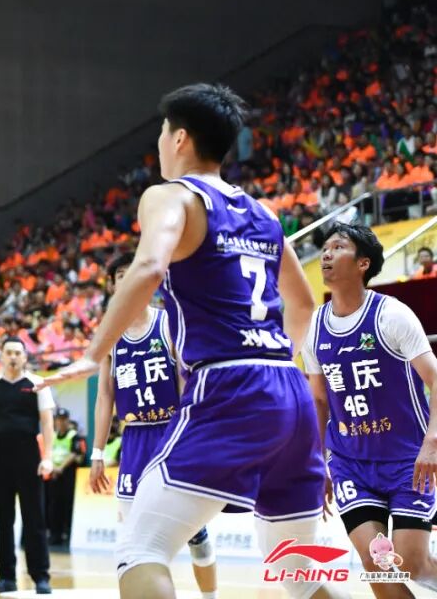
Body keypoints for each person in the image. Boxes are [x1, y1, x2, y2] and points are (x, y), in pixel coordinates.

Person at [40, 84, 346, 599]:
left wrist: (93, 354)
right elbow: (303, 306)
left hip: (230, 385)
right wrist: (273, 361)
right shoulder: (265, 214)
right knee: (300, 576)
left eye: (162, 133)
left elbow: (148, 267)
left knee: (140, 550)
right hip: (288, 390)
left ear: (179, 138)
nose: (160, 144)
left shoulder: (171, 196)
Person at [304, 224, 437, 593]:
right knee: (376, 561)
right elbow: (319, 400)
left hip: (407, 459)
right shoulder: (314, 326)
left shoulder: (391, 314)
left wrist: (432, 442)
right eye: (325, 247)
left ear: (363, 263)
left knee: (410, 564)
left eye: (338, 247)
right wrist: (317, 462)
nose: (326, 254)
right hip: (350, 462)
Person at [89, 253, 217, 598]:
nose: (127, 277)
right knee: (133, 535)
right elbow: (105, 396)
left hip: (171, 434)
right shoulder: (109, 335)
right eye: (120, 274)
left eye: (133, 271)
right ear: (113, 286)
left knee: (196, 534)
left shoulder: (168, 322)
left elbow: (187, 384)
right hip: (133, 438)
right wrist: (97, 453)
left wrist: (193, 437)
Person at [0, 338, 55, 595]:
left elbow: (47, 423)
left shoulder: (37, 384)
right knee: (4, 519)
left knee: (35, 518)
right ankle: (6, 576)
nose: (13, 357)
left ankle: (40, 577)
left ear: (25, 357)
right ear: (1, 356)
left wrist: (47, 457)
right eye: (8, 352)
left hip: (29, 454)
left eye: (17, 353)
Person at [45, 408, 84, 548]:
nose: (61, 422)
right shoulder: (52, 436)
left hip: (67, 475)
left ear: (67, 420)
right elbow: (48, 452)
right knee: (53, 506)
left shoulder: (74, 436)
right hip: (53, 475)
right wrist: (52, 467)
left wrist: (61, 467)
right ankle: (54, 534)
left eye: (63, 420)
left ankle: (67, 534)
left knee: (67, 505)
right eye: (58, 420)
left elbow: (75, 453)